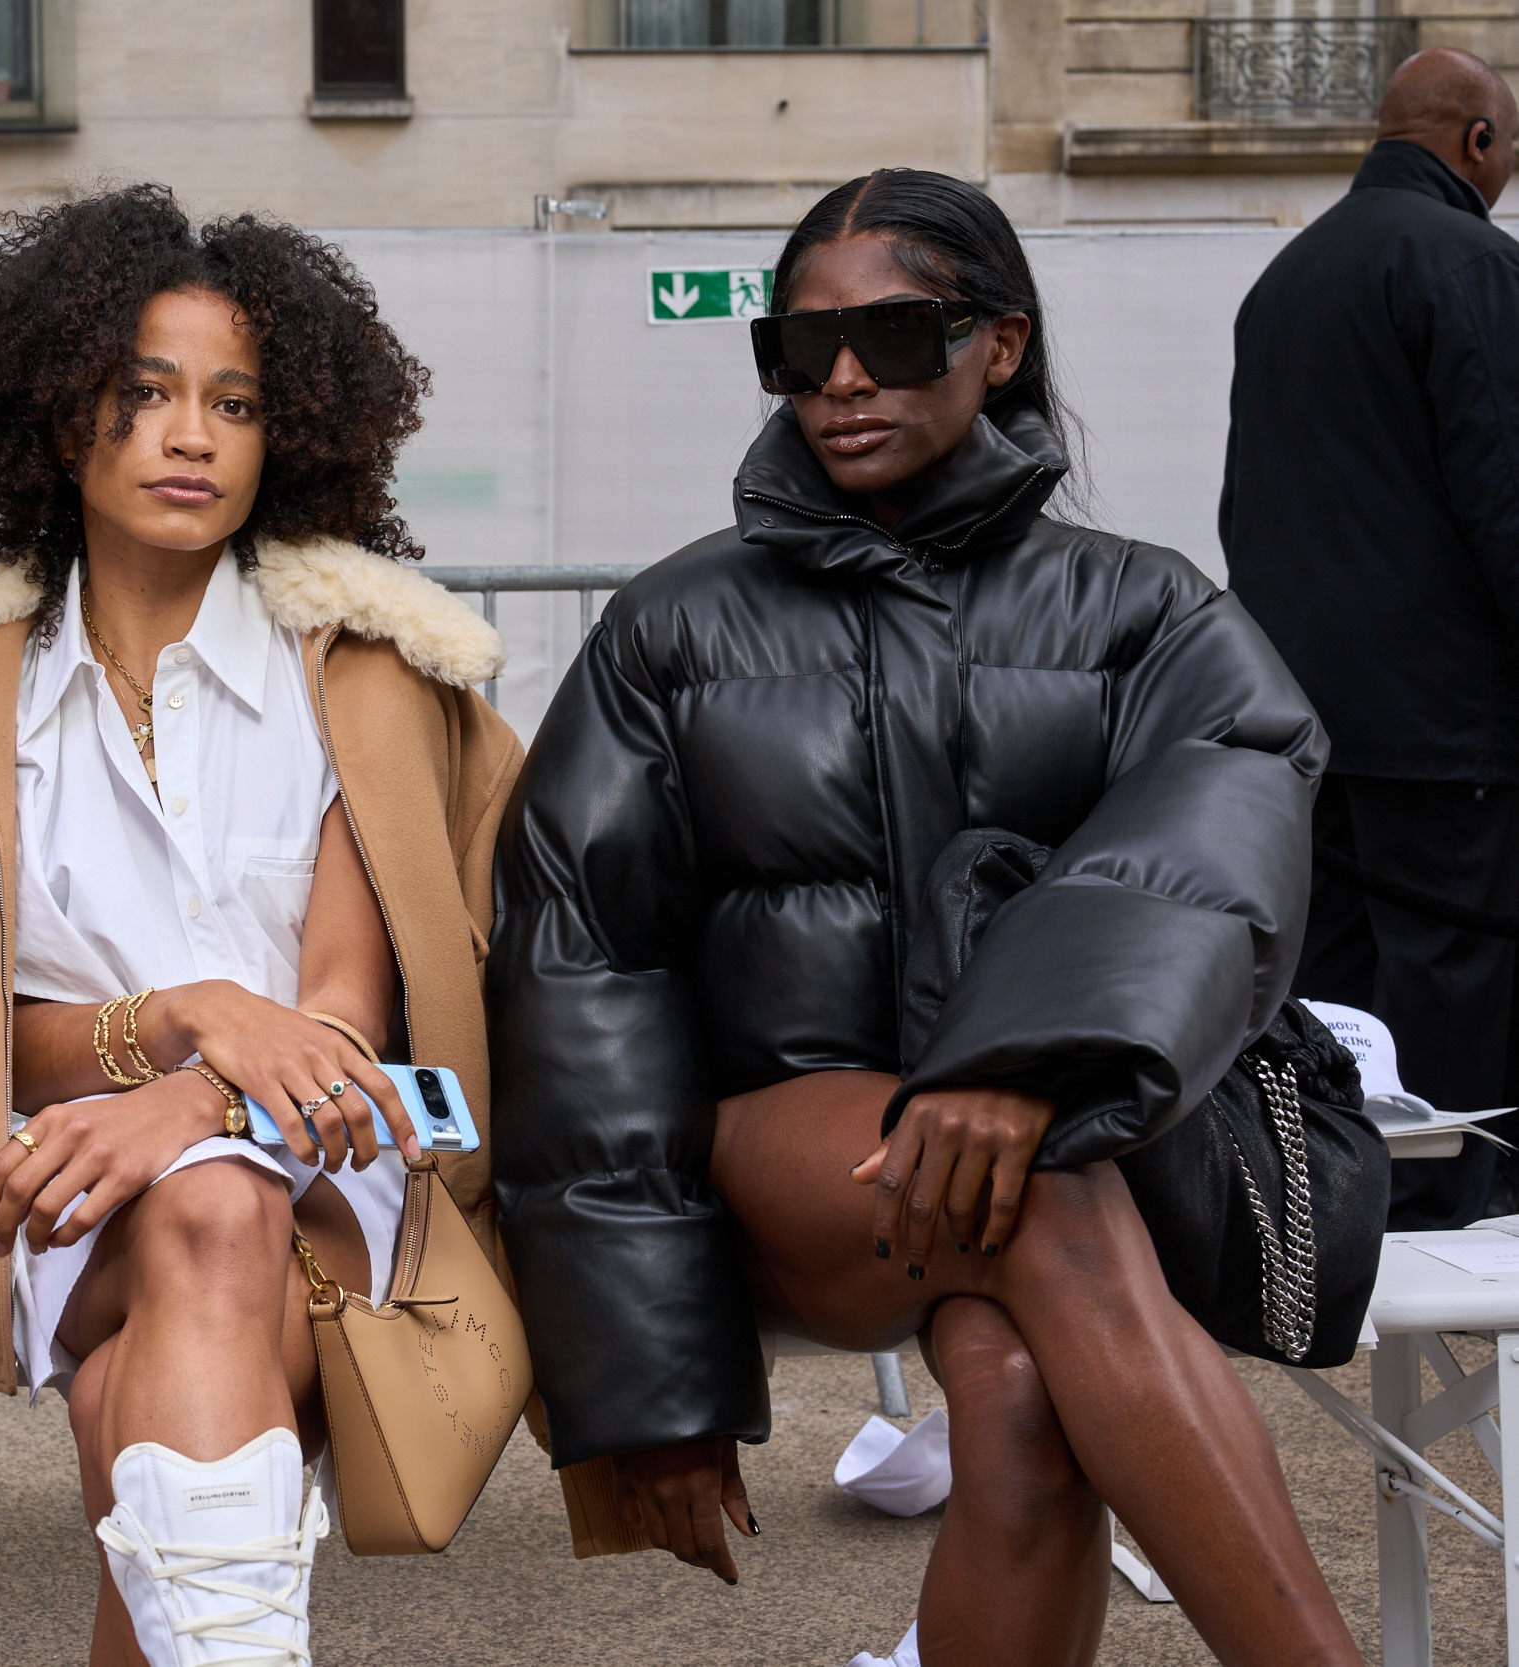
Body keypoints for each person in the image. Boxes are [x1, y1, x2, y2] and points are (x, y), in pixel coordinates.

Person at [489, 170, 1363, 1665]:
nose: (841, 379)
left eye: (897, 338)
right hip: (788, 1157)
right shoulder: (669, 629)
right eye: (799, 346)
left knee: (1020, 1403)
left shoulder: (1139, 612)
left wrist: (1027, 1058)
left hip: (1049, 1144)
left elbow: (1221, 832)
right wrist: (650, 1382)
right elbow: (584, 979)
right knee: (1040, 1204)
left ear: (999, 343)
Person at [0, 184, 521, 1667]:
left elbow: (340, 1006)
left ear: (293, 433)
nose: (190, 437)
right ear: (52, 411)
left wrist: (197, 1098)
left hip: (331, 1157)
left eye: (234, 401)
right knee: (200, 1237)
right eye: (141, 395)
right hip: (51, 1187)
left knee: (188, 1263)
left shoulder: (364, 679)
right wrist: (185, 1018)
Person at [1222, 47, 1519, 1231]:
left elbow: (1254, 503)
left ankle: (1331, 1203)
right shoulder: (1471, 265)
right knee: (1458, 971)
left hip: (1303, 707)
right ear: (1478, 143)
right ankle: (1456, 1208)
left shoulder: (1284, 277)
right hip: (1447, 719)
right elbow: (1503, 497)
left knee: (1334, 983)